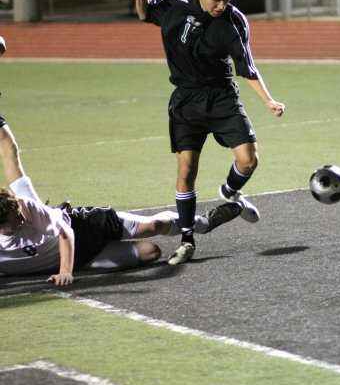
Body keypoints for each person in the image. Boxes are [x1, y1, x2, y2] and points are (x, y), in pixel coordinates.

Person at [130, 0, 285, 265]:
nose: (221, 6)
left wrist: (268, 100)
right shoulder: (177, 2)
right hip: (186, 100)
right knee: (186, 170)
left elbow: (247, 68)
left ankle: (229, 193)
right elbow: (146, 14)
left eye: (226, 0)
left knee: (248, 159)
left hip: (221, 96)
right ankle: (187, 239)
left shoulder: (234, 21)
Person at [0, 115, 242, 282]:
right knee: (152, 252)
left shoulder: (27, 206)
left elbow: (8, 150)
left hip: (84, 228)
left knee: (154, 226)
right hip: (84, 259)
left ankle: (204, 223)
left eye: (19, 212)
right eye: (15, 219)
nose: (21, 216)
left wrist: (65, 271)